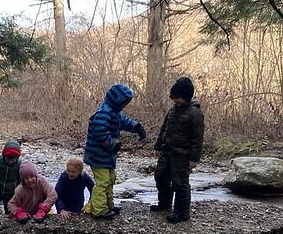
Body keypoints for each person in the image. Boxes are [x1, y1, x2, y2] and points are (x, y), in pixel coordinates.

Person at [83, 83, 146, 219]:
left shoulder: (115, 112)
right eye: (124, 102)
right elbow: (100, 131)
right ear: (116, 100)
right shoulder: (104, 112)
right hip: (98, 155)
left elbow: (124, 122)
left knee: (111, 179)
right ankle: (99, 210)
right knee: (103, 181)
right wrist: (112, 144)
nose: (125, 105)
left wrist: (137, 127)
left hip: (107, 156)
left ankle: (107, 205)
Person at [153, 76, 205, 223]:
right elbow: (164, 129)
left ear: (186, 97)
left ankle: (182, 213)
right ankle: (164, 204)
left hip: (182, 155)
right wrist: (158, 146)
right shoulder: (173, 110)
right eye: (173, 97)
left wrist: (194, 159)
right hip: (167, 151)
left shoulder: (195, 113)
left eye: (177, 98)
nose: (174, 100)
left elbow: (197, 138)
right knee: (160, 176)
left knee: (180, 183)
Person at [0, 139, 22, 215]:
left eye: (13, 159)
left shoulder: (19, 164)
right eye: (8, 158)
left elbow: (20, 180)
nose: (10, 161)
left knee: (9, 212)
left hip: (10, 192)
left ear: (17, 158)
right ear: (4, 155)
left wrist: (18, 193)